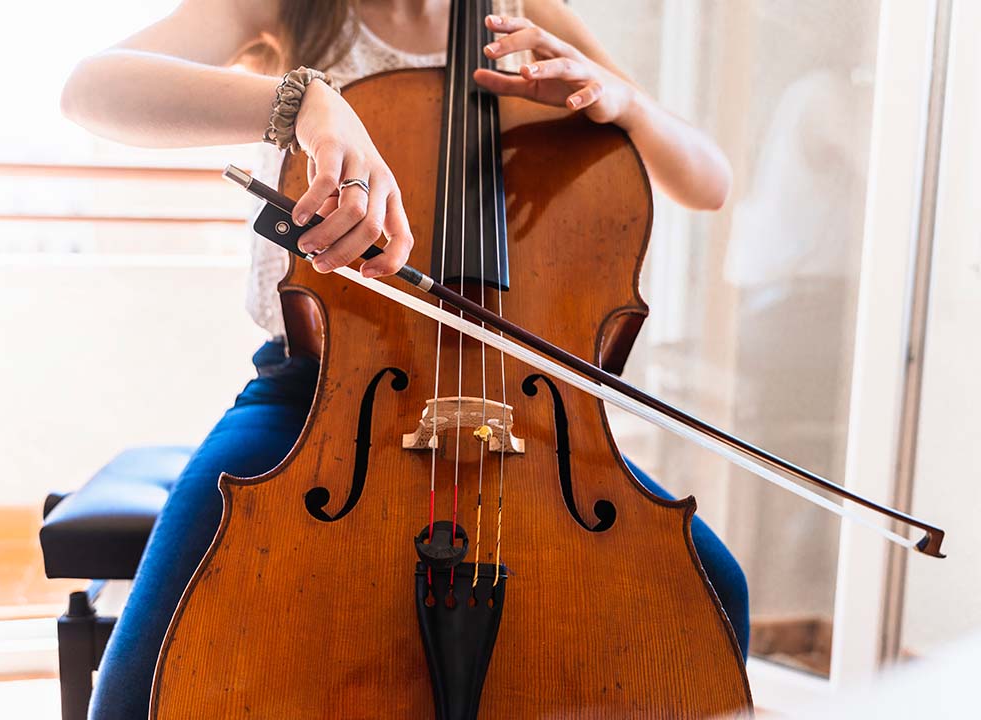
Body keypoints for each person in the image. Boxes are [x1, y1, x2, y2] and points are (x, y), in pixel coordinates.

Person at [60, 1, 747, 717]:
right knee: (139, 684)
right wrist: (303, 104)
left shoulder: (522, 10)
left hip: (521, 409)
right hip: (316, 396)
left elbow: (709, 182)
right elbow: (91, 91)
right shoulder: (286, 10)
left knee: (713, 588)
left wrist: (626, 104)